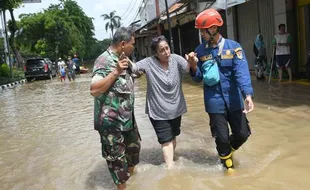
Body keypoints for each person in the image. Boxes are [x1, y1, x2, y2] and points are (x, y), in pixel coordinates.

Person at [186, 9, 254, 171]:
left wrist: (248, 95)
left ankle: (225, 152)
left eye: (204, 30)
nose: (201, 33)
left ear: (214, 28)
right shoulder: (200, 51)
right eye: (200, 30)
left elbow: (241, 73)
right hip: (214, 101)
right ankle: (227, 167)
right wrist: (193, 65)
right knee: (221, 138)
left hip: (234, 100)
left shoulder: (234, 48)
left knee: (243, 134)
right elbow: (197, 78)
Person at [131, 35, 195, 169]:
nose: (166, 52)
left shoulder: (176, 59)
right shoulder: (148, 63)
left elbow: (188, 70)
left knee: (172, 137)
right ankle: (170, 170)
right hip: (157, 110)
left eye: (167, 48)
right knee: (166, 141)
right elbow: (134, 68)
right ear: (155, 53)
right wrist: (126, 63)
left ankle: (170, 159)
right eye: (162, 50)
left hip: (176, 108)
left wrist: (192, 61)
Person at [90, 27, 140, 190]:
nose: (134, 47)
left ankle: (132, 184)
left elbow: (137, 72)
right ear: (123, 44)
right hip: (111, 124)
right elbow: (94, 89)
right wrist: (116, 72)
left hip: (127, 121)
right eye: (133, 44)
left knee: (133, 154)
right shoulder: (103, 61)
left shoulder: (124, 57)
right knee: (117, 163)